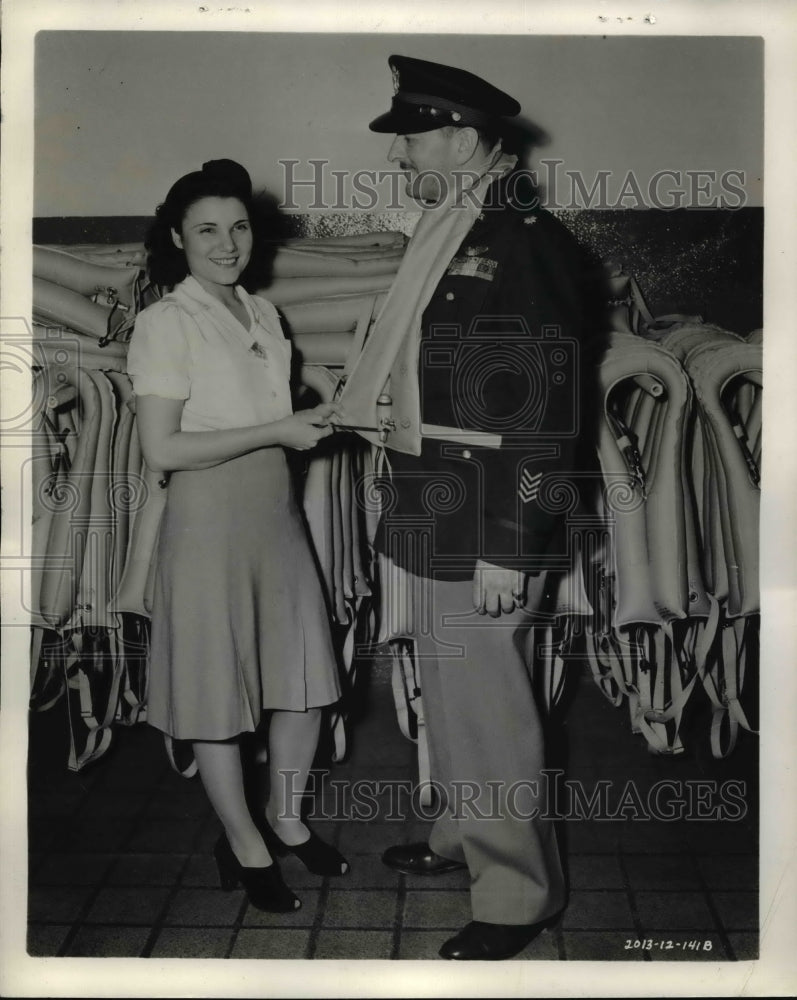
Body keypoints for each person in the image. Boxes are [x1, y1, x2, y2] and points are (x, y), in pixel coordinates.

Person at [341, 56, 593, 959]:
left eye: (411, 134)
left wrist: (511, 545)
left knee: (491, 709)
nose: (401, 151)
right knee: (448, 695)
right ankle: (460, 837)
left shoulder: (526, 244)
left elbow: (544, 413)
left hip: (488, 520)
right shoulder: (450, 228)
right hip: (433, 507)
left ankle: (518, 894)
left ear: (460, 135)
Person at [127, 159, 349, 914]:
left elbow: (253, 390)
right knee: (217, 695)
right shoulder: (165, 322)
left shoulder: (260, 312)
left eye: (239, 226)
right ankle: (244, 841)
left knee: (303, 685)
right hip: (208, 521)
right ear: (177, 238)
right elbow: (165, 448)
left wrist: (316, 387)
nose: (227, 243)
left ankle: (285, 819)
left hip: (274, 517)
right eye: (207, 230)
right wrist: (281, 427)